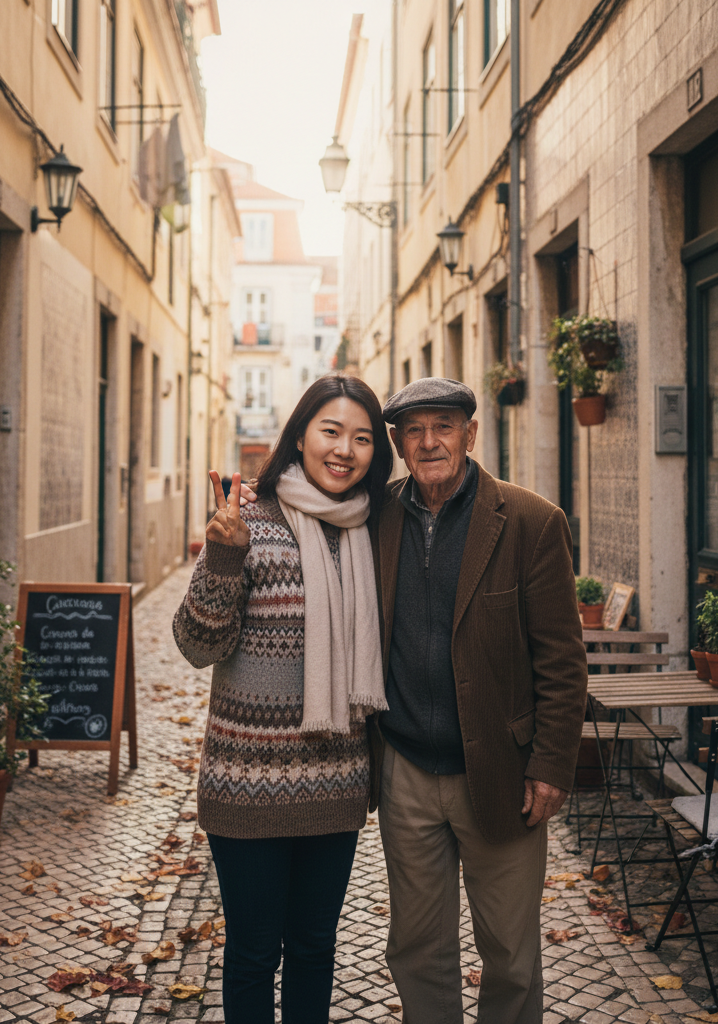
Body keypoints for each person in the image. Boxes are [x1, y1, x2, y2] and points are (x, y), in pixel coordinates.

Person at [173, 373, 393, 1024]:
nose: (344, 450)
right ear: (300, 435)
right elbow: (194, 646)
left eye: (361, 438)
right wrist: (221, 557)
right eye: (331, 431)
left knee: (313, 949)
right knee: (250, 954)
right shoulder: (249, 521)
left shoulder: (373, 530)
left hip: (337, 785)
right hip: (247, 785)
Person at [371, 377, 588, 1023]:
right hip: (407, 769)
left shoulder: (530, 521)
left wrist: (552, 764)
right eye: (414, 429)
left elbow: (561, 657)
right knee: (415, 946)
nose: (430, 441)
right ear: (399, 443)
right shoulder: (376, 517)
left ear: (471, 432)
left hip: (501, 770)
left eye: (444, 425)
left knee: (511, 953)